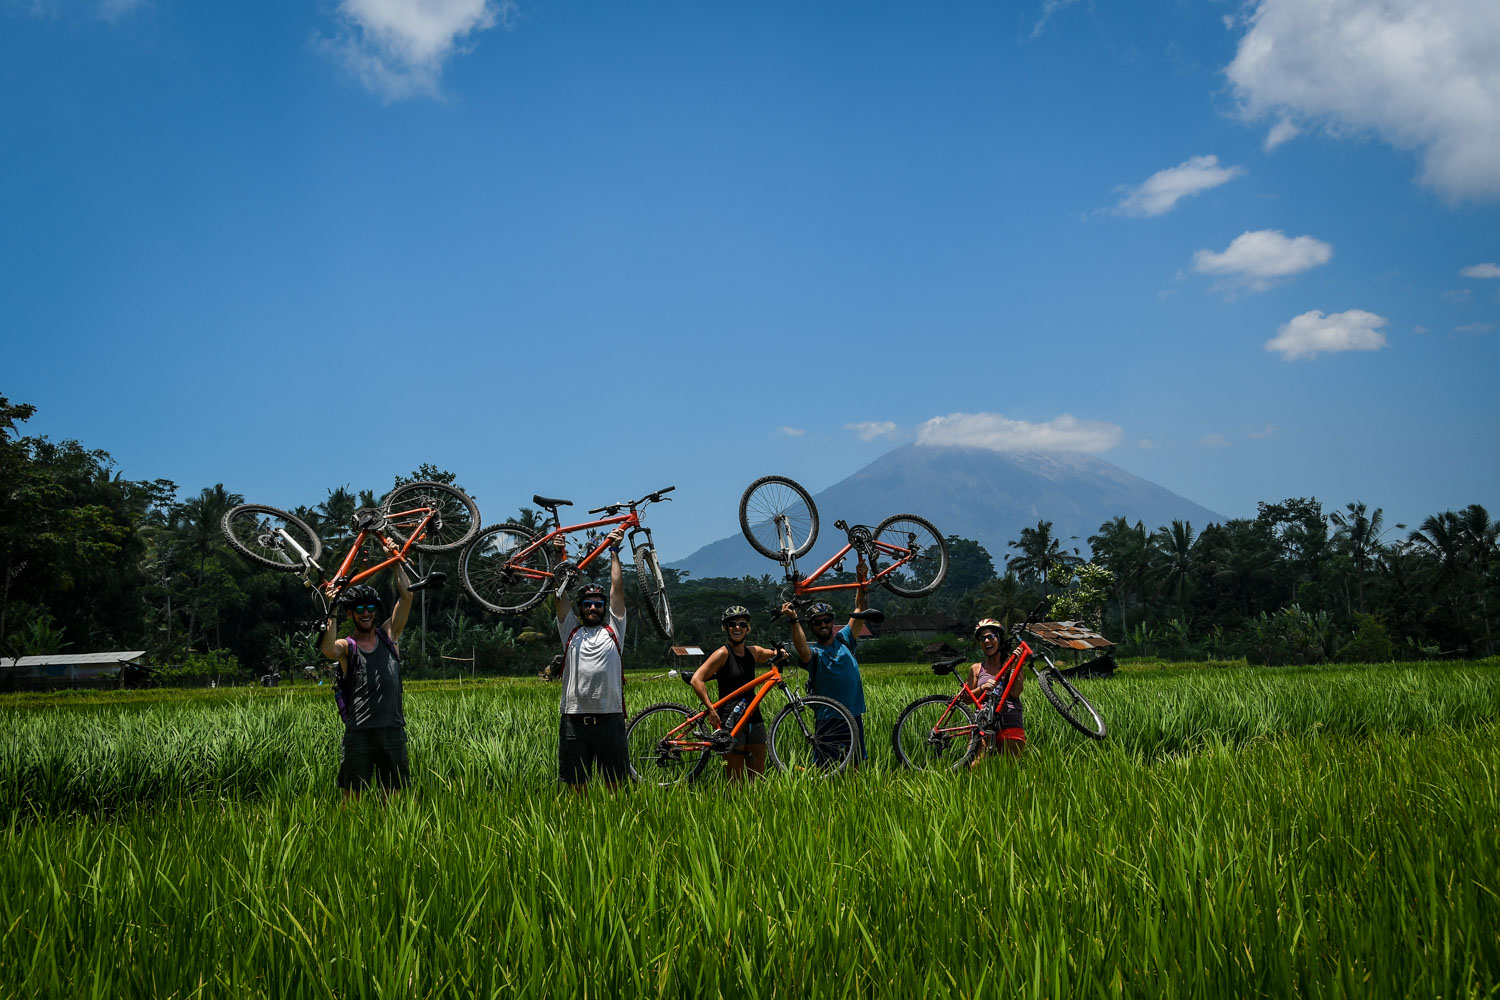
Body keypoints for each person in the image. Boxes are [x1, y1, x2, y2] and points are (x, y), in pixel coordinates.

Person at [319, 565, 414, 795]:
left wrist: (395, 563)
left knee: (394, 798)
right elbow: (329, 649)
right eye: (359, 608)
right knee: (352, 799)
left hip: (392, 730)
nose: (366, 612)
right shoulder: (347, 646)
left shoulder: (390, 635)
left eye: (370, 607)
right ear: (350, 613)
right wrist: (332, 608)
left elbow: (407, 595)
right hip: (359, 733)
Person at [554, 526, 628, 789]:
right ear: (580, 608)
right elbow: (559, 593)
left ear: (604, 608)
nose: (593, 607)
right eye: (587, 604)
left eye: (598, 603)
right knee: (575, 787)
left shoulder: (614, 629)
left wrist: (615, 552)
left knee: (616, 786)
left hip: (610, 718)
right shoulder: (571, 630)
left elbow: (616, 590)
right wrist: (558, 555)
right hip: (574, 720)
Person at [787, 561, 873, 766]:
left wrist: (862, 581)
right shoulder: (815, 654)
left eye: (827, 620)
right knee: (827, 767)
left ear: (833, 622)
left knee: (855, 765)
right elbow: (801, 649)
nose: (823, 625)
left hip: (853, 715)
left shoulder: (844, 639)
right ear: (812, 627)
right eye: (818, 622)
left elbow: (860, 608)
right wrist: (793, 620)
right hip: (828, 719)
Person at [687, 605, 783, 782]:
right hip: (730, 717)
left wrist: (781, 653)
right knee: (736, 782)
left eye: (742, 624)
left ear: (748, 628)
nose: (737, 628)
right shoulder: (722, 653)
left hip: (754, 715)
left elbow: (771, 654)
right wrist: (711, 710)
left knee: (758, 778)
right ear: (726, 628)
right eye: (732, 624)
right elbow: (696, 679)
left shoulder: (753, 652)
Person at [969, 617, 1025, 761]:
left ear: (999, 638)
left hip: (1009, 718)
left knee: (1011, 769)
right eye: (982, 639)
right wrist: (982, 688)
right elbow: (966, 699)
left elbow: (1015, 692)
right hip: (983, 721)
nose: (987, 641)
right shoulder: (976, 669)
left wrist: (1015, 667)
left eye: (990, 637)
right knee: (977, 765)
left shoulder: (1011, 662)